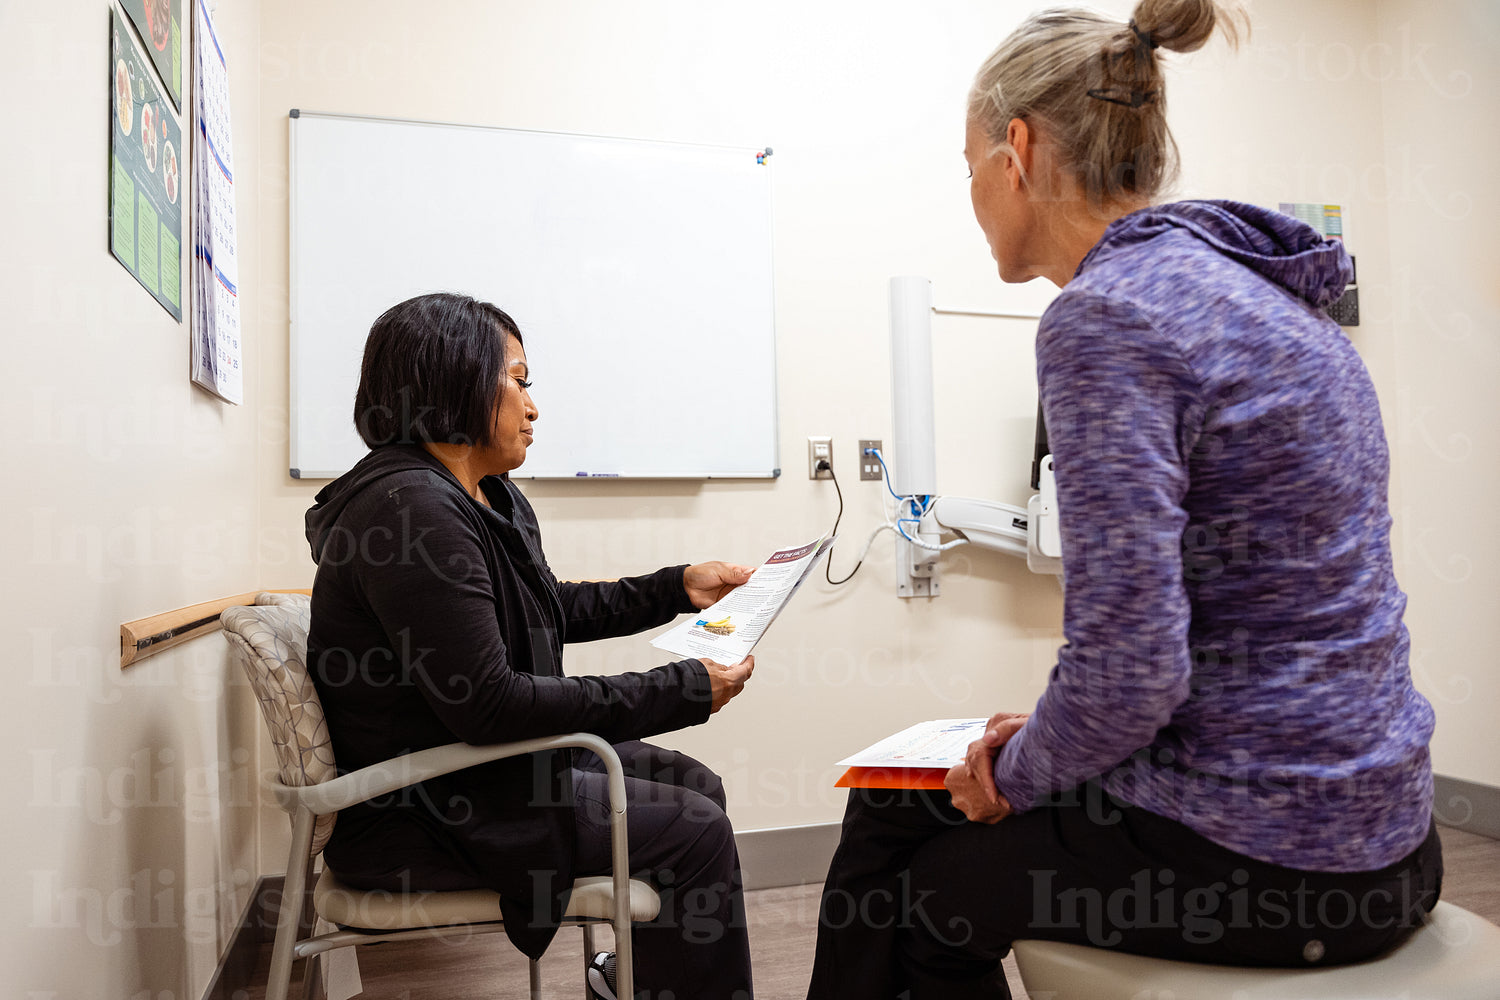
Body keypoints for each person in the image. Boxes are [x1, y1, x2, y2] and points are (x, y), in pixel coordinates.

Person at [807, 2, 1440, 997]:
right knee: (892, 809)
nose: (971, 192)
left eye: (967, 162)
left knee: (926, 885)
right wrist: (1049, 739)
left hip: (1280, 865)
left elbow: (1134, 670)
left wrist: (1013, 778)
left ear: (1016, 151)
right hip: (1395, 832)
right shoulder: (1273, 300)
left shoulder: (1104, 318)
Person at [305, 291, 756, 1000]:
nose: (533, 406)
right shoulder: (410, 512)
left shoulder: (483, 497)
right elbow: (490, 704)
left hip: (475, 775)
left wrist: (677, 586)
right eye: (518, 380)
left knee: (693, 783)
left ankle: (642, 981)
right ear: (455, 378)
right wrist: (681, 689)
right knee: (694, 829)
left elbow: (545, 607)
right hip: (422, 813)